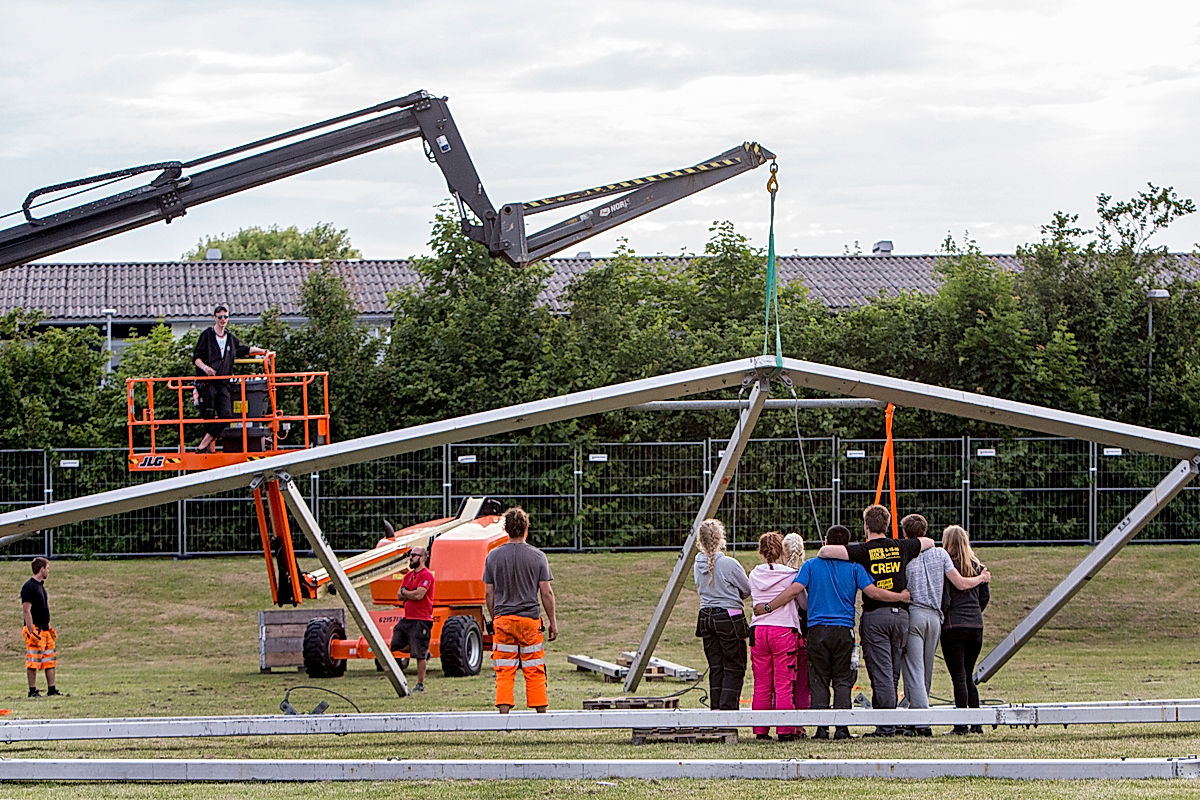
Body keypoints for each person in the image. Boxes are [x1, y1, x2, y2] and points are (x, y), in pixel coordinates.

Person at [753, 525, 910, 740]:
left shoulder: (810, 566)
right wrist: (900, 597)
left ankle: (822, 728)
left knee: (818, 678)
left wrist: (768, 607)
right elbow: (873, 592)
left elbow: (794, 590)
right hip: (843, 630)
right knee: (842, 678)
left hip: (817, 630)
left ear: (826, 542)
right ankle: (842, 729)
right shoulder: (854, 567)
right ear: (846, 546)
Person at [816, 504, 934, 737]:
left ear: (866, 526)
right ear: (887, 525)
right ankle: (890, 721)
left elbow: (824, 552)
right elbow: (928, 542)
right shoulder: (902, 546)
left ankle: (886, 726)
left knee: (881, 672)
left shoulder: (863, 550)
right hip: (901, 617)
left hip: (876, 616)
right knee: (892, 672)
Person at [898, 514, 989, 736]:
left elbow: (949, 593)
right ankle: (975, 723)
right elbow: (979, 594)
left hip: (940, 621)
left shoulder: (922, 557)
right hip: (963, 623)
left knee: (942, 674)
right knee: (963, 674)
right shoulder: (967, 564)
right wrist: (979, 585)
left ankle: (940, 723)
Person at [482, 507, 557, 713]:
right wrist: (552, 622)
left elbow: (489, 593)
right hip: (530, 621)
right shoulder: (538, 556)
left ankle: (504, 714)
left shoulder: (493, 557)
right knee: (534, 668)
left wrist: (495, 617)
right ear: (526, 528)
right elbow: (546, 593)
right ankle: (540, 713)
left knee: (504, 670)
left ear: (506, 529)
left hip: (503, 621)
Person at [693, 518, 751, 711]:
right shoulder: (729, 564)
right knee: (734, 665)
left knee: (716, 666)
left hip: (706, 616)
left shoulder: (697, 563)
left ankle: (716, 708)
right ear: (720, 538)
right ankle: (728, 710)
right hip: (729, 617)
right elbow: (746, 589)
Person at [749, 532, 802, 741]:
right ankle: (785, 730)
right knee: (784, 683)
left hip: (759, 630)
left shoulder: (754, 574)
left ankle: (760, 730)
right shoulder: (791, 575)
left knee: (761, 683)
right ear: (781, 551)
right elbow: (802, 601)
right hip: (783, 629)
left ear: (760, 552)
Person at [192, 305, 267, 454]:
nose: (223, 320)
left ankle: (202, 445)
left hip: (223, 383)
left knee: (226, 415)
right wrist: (206, 368)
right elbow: (196, 358)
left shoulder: (230, 338)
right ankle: (206, 448)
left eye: (225, 317)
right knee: (208, 413)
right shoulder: (207, 335)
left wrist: (264, 352)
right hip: (207, 382)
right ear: (215, 318)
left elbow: (245, 349)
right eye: (220, 317)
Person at [940, 524, 990, 735]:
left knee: (958, 677)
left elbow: (945, 598)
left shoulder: (947, 567)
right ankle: (976, 723)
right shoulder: (979, 568)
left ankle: (961, 725)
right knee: (968, 675)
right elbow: (984, 597)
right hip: (975, 626)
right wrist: (975, 613)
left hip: (953, 627)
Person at [390, 544, 435, 692]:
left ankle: (420, 684)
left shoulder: (427, 575)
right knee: (395, 644)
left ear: (422, 558)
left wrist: (406, 593)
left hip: (422, 619)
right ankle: (421, 649)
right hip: (408, 618)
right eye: (410, 555)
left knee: (419, 655)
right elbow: (399, 595)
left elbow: (419, 595)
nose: (410, 557)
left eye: (414, 555)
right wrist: (408, 593)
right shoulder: (408, 576)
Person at [21, 557, 60, 698]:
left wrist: (48, 626)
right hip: (35, 629)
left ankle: (52, 689)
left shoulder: (41, 587)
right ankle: (32, 690)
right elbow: (26, 610)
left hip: (45, 629)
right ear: (41, 569)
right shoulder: (29, 587)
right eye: (47, 568)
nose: (48, 571)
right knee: (33, 660)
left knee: (49, 660)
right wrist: (31, 630)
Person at [781, 532, 810, 718]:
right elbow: (805, 605)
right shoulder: (801, 576)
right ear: (801, 552)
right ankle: (800, 722)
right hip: (801, 633)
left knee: (781, 681)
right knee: (802, 681)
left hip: (779, 631)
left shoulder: (775, 575)